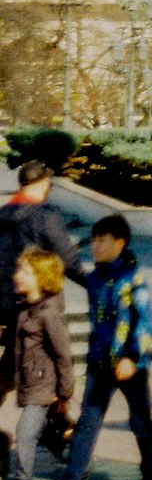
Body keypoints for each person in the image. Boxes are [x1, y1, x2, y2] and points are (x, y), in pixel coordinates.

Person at [38, 215, 152, 480]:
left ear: (120, 243)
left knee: (140, 423)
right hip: (100, 364)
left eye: (102, 240)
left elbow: (146, 321)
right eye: (93, 240)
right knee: (87, 424)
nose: (94, 245)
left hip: (129, 366)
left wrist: (132, 357)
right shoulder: (96, 278)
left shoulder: (134, 280)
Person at [0, 160, 86, 407]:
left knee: (14, 361)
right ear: (41, 183)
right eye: (47, 180)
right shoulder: (46, 216)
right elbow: (68, 260)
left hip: (6, 302)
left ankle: (53, 421)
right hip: (39, 302)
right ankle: (56, 422)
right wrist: (96, 285)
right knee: (51, 357)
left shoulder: (2, 214)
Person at [0, 249, 75, 480]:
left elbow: (63, 354)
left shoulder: (49, 314)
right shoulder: (24, 311)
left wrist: (65, 392)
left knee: (25, 432)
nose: (17, 275)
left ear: (42, 278)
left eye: (25, 272)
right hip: (30, 386)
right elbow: (14, 354)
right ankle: (81, 468)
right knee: (48, 437)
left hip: (45, 388)